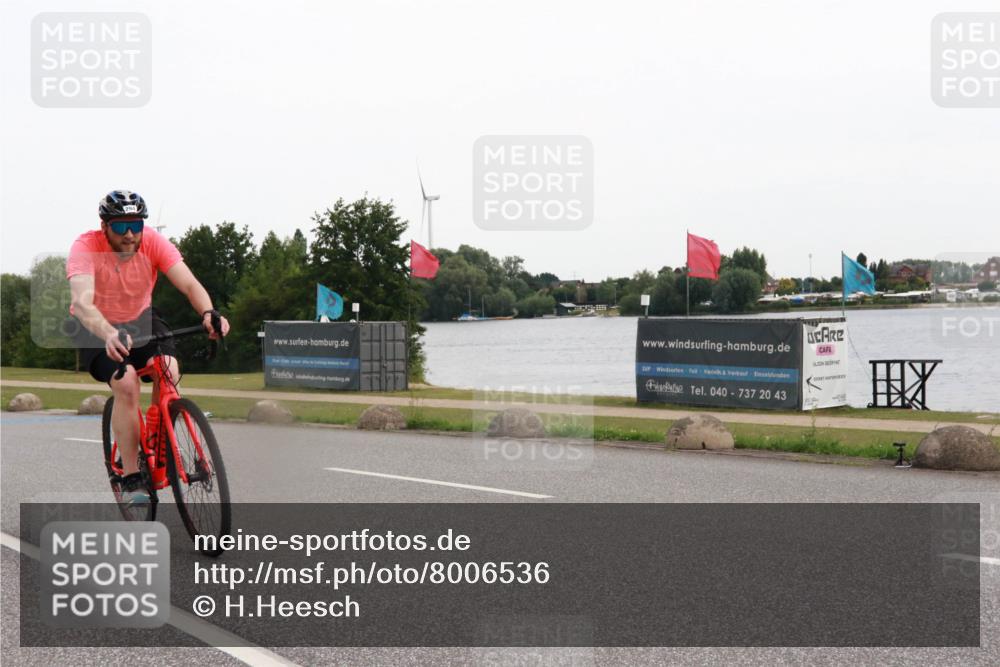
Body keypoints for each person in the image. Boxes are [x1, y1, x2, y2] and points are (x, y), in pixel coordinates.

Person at [67, 190, 230, 505]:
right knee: (126, 382)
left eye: (136, 226)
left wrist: (208, 313)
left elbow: (189, 284)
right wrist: (108, 333)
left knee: (169, 368)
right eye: (120, 227)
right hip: (96, 324)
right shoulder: (85, 247)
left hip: (141, 317)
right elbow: (81, 303)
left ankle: (158, 440)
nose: (130, 234)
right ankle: (131, 477)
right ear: (105, 227)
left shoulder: (153, 241)